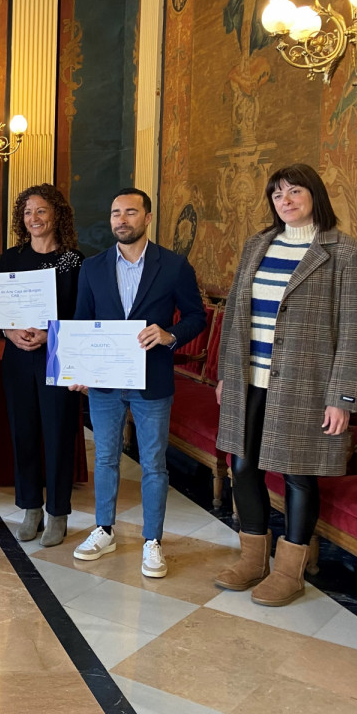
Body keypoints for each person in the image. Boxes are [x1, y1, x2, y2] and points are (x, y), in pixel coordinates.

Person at [214, 164, 357, 606]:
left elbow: (356, 331)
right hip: (250, 379)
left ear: (314, 194)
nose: (285, 201)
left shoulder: (345, 252)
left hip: (307, 385)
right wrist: (226, 375)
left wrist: (342, 397)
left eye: (294, 191)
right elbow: (235, 314)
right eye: (277, 194)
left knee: (297, 474)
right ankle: (253, 560)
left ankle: (288, 572)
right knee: (243, 466)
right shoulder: (257, 244)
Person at [70, 188, 206, 578]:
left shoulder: (174, 266)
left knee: (154, 464)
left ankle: (153, 541)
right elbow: (81, 321)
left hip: (152, 379)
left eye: (130, 212)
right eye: (116, 213)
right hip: (105, 382)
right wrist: (78, 369)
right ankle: (104, 530)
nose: (122, 219)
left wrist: (170, 334)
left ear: (147, 217)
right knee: (105, 458)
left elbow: (197, 316)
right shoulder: (92, 267)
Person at [0, 184, 84, 546]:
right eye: (27, 212)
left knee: (58, 433)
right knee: (24, 433)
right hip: (18, 357)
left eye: (41, 211)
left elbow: (81, 314)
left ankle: (58, 513)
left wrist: (50, 335)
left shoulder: (73, 261)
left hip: (58, 357)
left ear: (57, 214)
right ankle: (31, 507)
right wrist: (9, 331)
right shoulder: (11, 258)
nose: (33, 218)